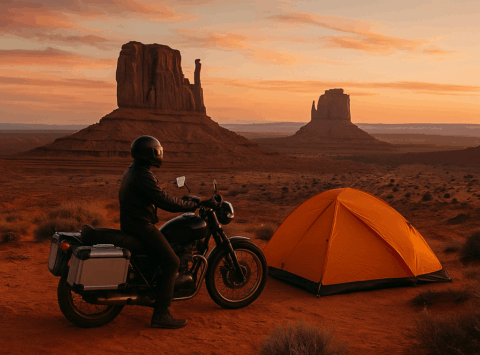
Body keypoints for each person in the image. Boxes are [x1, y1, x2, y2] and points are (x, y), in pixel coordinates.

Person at [119, 135, 197, 329]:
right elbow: (163, 200)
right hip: (141, 226)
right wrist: (189, 206)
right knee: (172, 261)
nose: (160, 154)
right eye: (157, 151)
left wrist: (183, 202)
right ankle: (161, 313)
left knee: (162, 254)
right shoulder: (143, 175)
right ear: (150, 153)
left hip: (131, 224)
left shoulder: (133, 170)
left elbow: (158, 194)